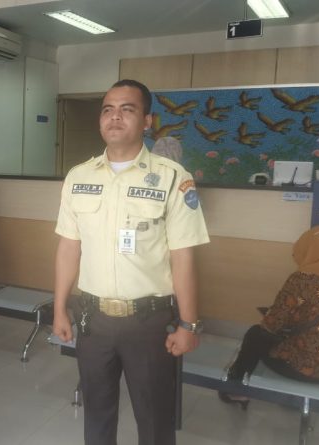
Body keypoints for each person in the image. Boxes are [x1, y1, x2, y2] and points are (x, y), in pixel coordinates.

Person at [52, 79, 210, 445]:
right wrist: (59, 308)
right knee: (97, 414)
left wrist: (189, 324)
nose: (115, 117)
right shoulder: (78, 177)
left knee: (154, 420)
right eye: (108, 110)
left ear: (147, 121)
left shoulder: (173, 178)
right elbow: (68, 248)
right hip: (93, 320)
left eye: (127, 109)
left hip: (148, 322)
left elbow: (183, 256)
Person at [219, 226, 319, 409]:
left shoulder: (303, 279)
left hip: (307, 369)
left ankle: (236, 390)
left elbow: (271, 325)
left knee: (255, 335)